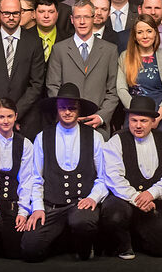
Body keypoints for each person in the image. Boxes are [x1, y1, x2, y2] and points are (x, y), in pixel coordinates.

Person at [21, 84, 108, 262]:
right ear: (57, 109)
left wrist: (93, 197)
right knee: (30, 248)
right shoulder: (42, 137)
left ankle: (83, 244)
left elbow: (104, 177)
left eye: (72, 108)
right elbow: (36, 178)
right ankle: (64, 239)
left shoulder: (95, 137)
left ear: (79, 110)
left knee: (82, 223)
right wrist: (37, 207)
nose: (67, 112)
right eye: (63, 108)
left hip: (81, 205)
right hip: (52, 207)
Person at [100, 94, 162, 259]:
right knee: (114, 215)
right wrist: (138, 198)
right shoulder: (116, 141)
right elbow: (114, 177)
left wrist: (151, 194)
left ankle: (136, 235)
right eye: (133, 120)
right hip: (122, 202)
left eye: (143, 121)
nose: (138, 125)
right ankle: (122, 243)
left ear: (153, 122)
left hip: (152, 204)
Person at [0, 99, 40, 260]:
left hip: (12, 205)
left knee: (15, 251)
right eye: (1, 117)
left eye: (9, 116)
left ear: (16, 116)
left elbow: (26, 180)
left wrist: (23, 212)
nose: (5, 121)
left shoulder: (25, 144)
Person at [0, 0, 47, 137]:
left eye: (15, 13)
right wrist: (1, 113)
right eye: (6, 13)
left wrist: (14, 114)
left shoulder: (34, 42)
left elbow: (36, 84)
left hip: (25, 120)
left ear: (21, 13)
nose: (11, 17)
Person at [46, 0, 120, 134]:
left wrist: (101, 116)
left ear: (94, 18)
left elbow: (113, 90)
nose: (82, 21)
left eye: (86, 17)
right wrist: (66, 112)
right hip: (65, 125)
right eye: (78, 17)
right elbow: (53, 86)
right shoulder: (59, 49)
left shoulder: (110, 50)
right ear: (71, 20)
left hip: (97, 126)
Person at [117, 14, 162, 132]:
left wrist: (158, 117)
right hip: (133, 115)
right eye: (140, 32)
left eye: (149, 31)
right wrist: (136, 114)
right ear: (135, 36)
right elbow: (121, 89)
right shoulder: (125, 57)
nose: (145, 36)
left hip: (158, 116)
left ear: (155, 33)